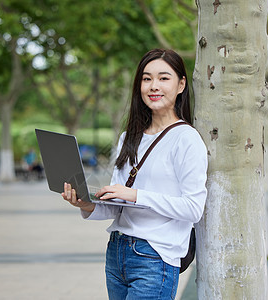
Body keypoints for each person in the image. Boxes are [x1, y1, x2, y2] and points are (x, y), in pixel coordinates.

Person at [61, 49, 208, 299]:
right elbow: (118, 204)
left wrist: (136, 195)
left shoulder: (187, 139)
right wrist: (86, 204)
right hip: (117, 252)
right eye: (146, 78)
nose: (154, 86)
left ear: (181, 84)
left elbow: (193, 208)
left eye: (164, 78)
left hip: (155, 257)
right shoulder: (129, 137)